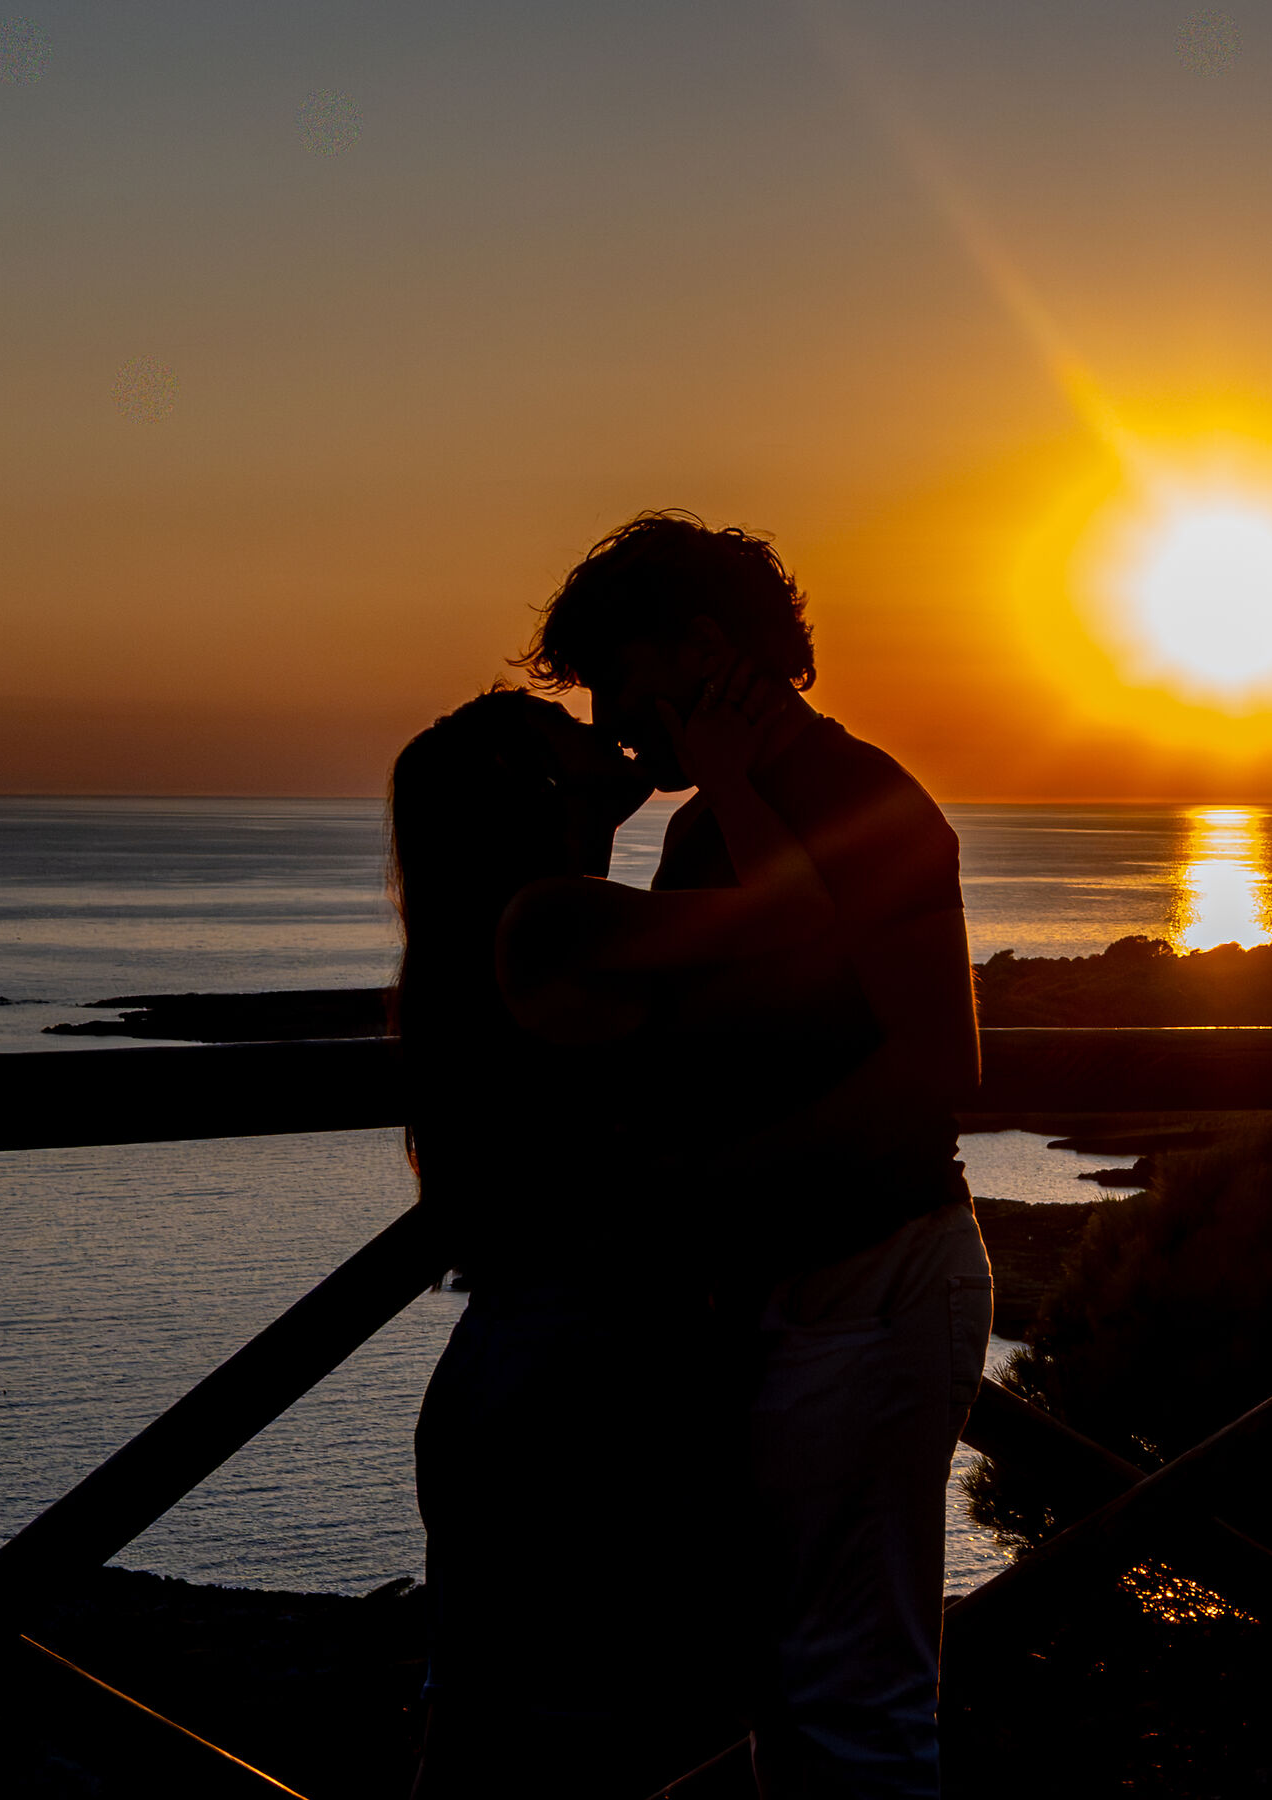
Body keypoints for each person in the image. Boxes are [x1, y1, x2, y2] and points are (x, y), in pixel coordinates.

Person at [516, 511, 992, 1800]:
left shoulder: (864, 801)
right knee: (786, 1685)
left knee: (853, 1698)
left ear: (706, 647)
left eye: (623, 686)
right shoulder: (698, 831)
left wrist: (715, 1178)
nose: (617, 723)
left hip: (873, 1280)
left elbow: (940, 1068)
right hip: (774, 1294)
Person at [390, 679, 837, 1798]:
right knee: (642, 1730)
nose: (603, 733)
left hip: (524, 1358)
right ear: (533, 791)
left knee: (497, 1724)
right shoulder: (554, 918)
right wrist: (731, 771)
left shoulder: (519, 927)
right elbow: (796, 912)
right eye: (568, 735)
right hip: (585, 1374)